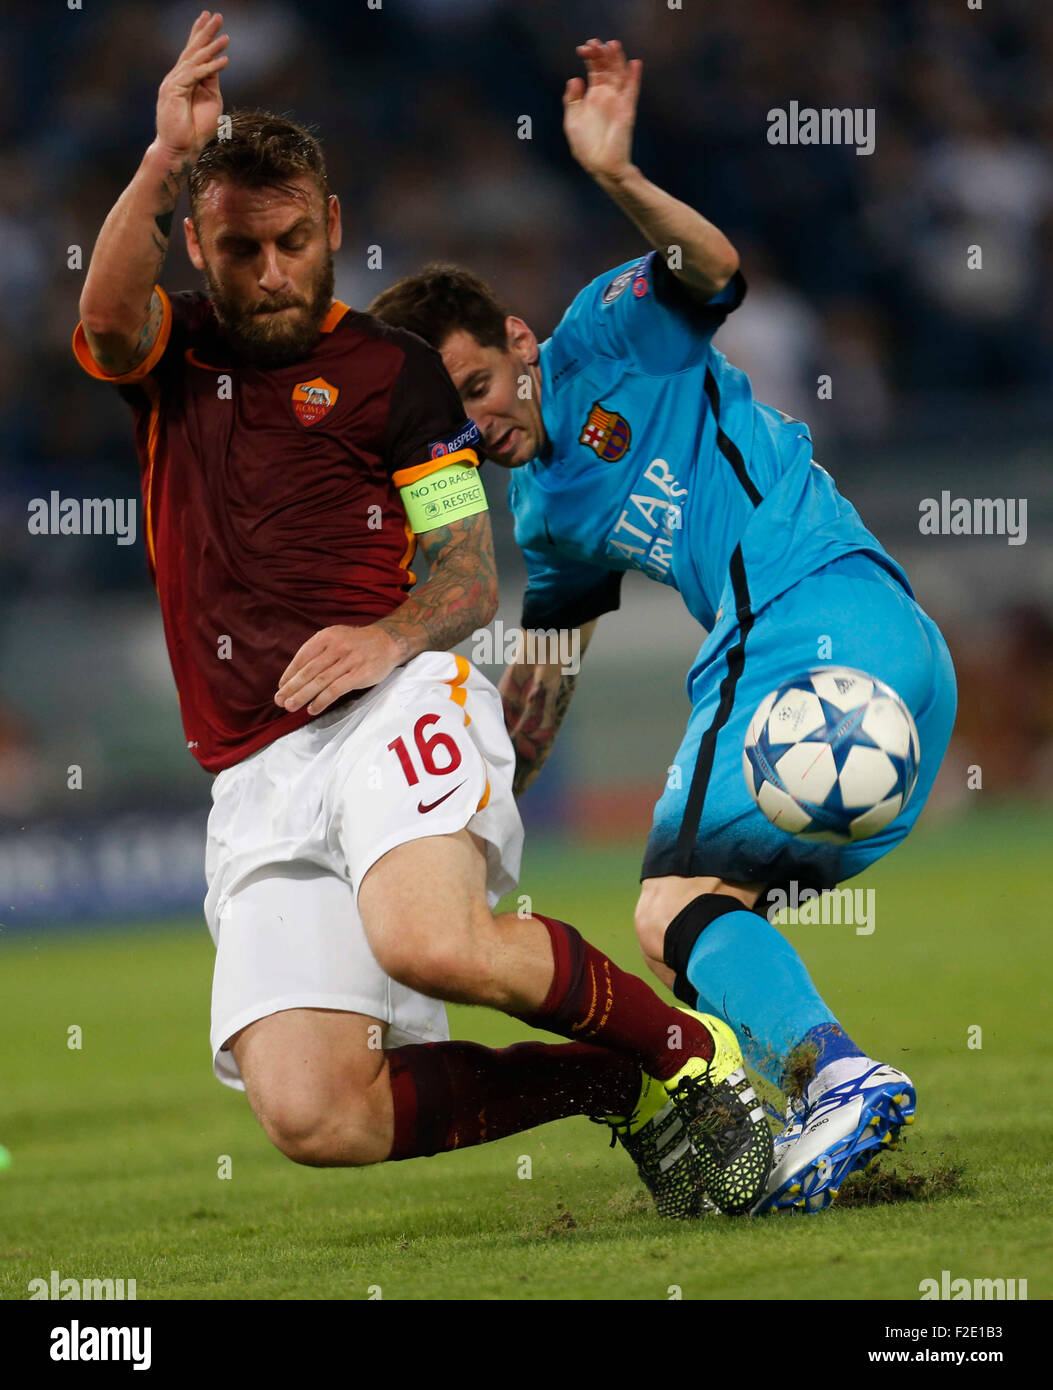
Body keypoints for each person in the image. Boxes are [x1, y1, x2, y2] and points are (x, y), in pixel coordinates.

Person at [71, 12, 773, 1219]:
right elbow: (99, 321)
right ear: (201, 243)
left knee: (429, 940)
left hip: (394, 702)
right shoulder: (172, 352)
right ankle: (606, 1079)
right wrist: (154, 161)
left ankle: (694, 1059)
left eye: (296, 240)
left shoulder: (394, 374)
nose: (276, 270)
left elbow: (460, 575)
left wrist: (385, 639)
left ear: (334, 226)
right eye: (244, 250)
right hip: (252, 768)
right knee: (315, 1114)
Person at [368, 38, 958, 1213]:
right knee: (690, 914)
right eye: (450, 417)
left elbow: (715, 264)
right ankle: (821, 1091)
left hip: (803, 616)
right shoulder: (543, 514)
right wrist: (473, 823)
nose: (477, 428)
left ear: (522, 345)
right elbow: (543, 676)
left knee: (667, 902)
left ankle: (838, 1077)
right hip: (888, 657)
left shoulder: (608, 328)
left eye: (480, 389)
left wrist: (616, 178)